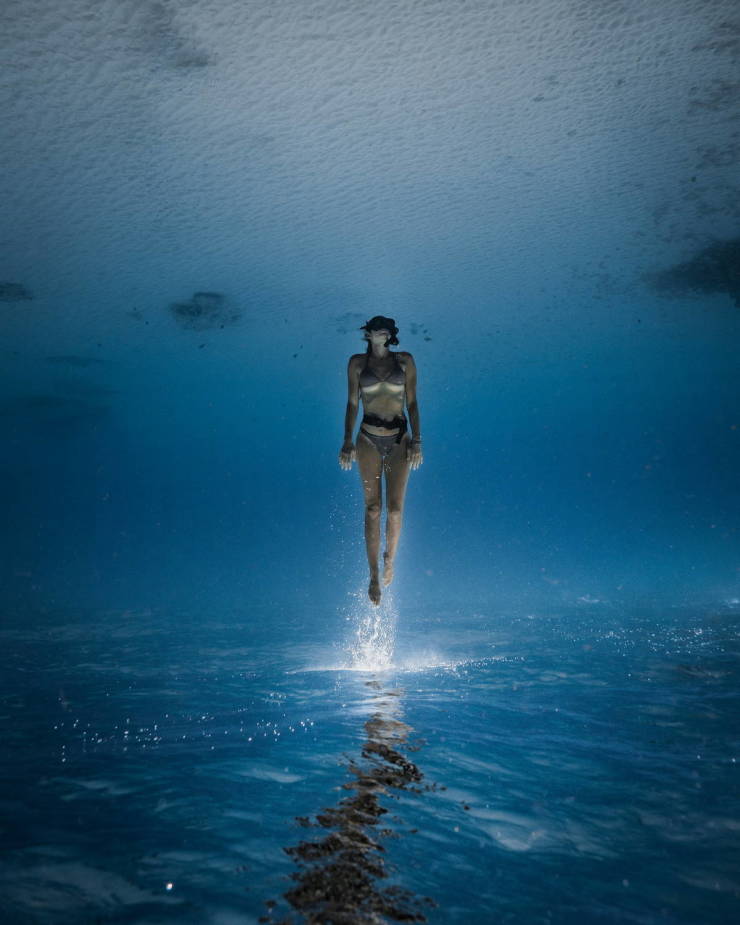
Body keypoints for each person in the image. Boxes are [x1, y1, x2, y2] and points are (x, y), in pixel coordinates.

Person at [338, 316, 423, 605]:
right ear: (368, 334)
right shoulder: (356, 363)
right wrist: (347, 440)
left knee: (395, 511)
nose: (383, 334)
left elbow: (412, 402)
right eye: (378, 329)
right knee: (373, 508)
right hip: (367, 439)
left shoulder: (405, 361)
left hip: (399, 439)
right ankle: (373, 574)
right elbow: (352, 403)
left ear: (390, 335)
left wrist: (418, 440)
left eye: (387, 330)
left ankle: (389, 560)